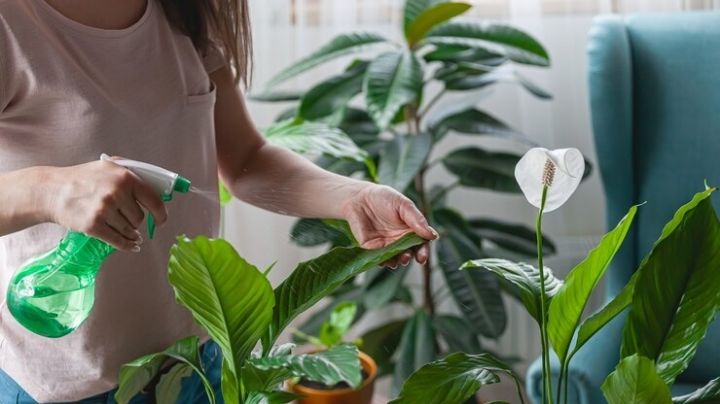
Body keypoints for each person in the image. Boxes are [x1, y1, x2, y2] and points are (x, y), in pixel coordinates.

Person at [0, 0, 437, 402]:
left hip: (199, 357)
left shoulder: (185, 12)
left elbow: (248, 160)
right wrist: (49, 189)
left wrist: (355, 198)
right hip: (67, 385)